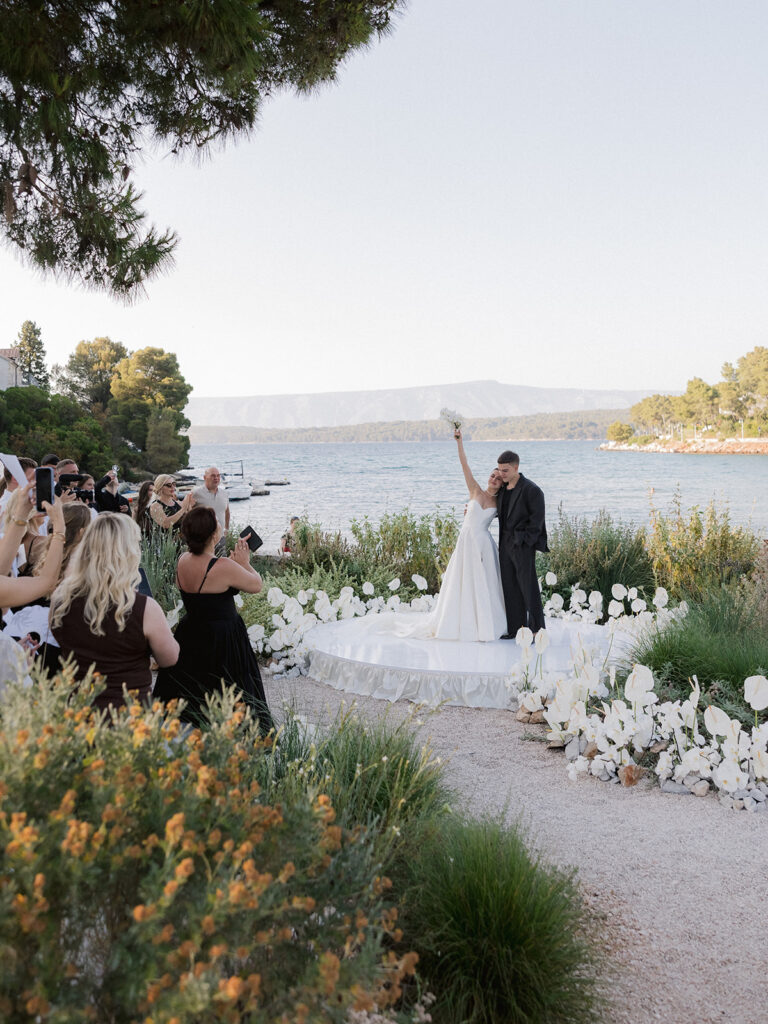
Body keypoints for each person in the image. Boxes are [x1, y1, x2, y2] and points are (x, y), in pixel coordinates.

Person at [153, 506, 272, 733]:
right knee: (230, 690)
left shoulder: (182, 560)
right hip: (223, 637)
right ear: (213, 534)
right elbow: (256, 585)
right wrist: (245, 562)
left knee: (192, 688)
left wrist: (230, 563)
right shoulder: (223, 566)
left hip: (191, 632)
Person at [50, 514, 179, 711]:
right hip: (129, 716)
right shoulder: (144, 608)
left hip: (78, 711)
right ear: (128, 553)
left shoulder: (61, 599)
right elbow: (170, 658)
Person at [496, 450, 548, 637]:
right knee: (510, 587)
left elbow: (537, 522)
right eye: (500, 470)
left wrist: (525, 543)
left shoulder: (532, 490)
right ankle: (516, 629)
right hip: (504, 545)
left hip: (522, 545)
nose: (501, 474)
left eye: (505, 470)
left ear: (516, 468)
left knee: (529, 588)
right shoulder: (503, 489)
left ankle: (537, 631)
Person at [192, 467, 229, 553]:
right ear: (205, 477)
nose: (216, 478)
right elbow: (188, 512)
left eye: (218, 475)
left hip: (220, 538)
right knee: (203, 565)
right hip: (203, 539)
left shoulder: (224, 493)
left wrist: (226, 529)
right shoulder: (196, 493)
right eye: (213, 476)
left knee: (221, 564)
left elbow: (227, 512)